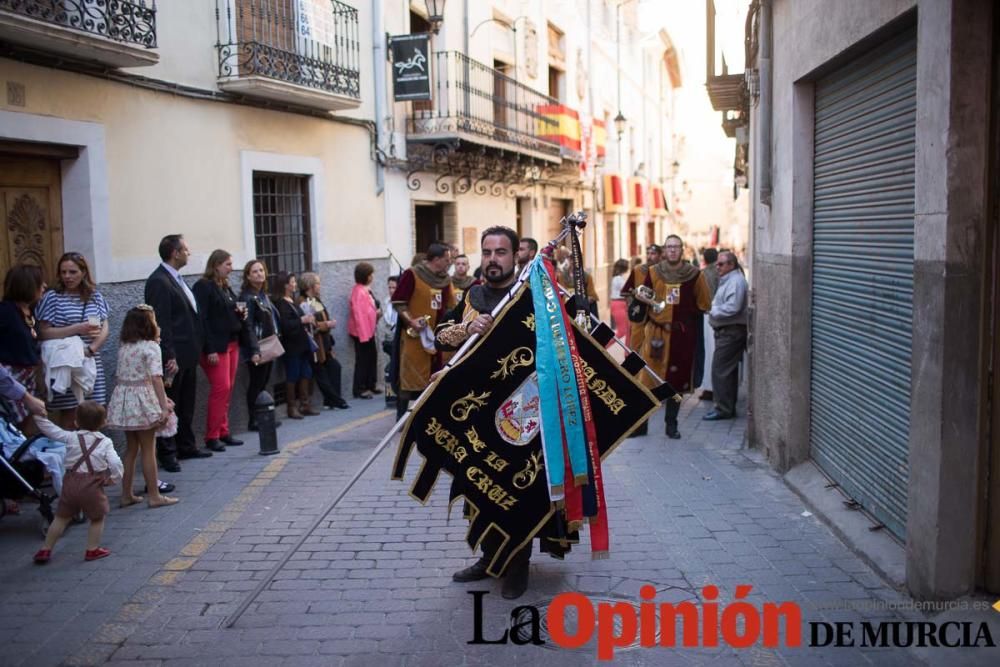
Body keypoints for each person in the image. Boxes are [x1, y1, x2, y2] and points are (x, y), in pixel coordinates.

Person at [433, 226, 535, 600]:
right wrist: (466, 328)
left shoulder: (530, 298)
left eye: (501, 252)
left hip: (520, 411)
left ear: (515, 256)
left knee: (516, 488)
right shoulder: (471, 297)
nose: (493, 259)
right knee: (478, 485)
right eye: (487, 252)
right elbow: (440, 334)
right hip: (475, 410)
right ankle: (490, 558)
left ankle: (518, 564)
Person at [145, 235, 209, 471]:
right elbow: (161, 321)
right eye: (185, 249)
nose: (188, 253)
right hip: (174, 355)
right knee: (170, 404)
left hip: (188, 353)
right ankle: (168, 453)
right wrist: (168, 353)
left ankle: (186, 445)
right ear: (174, 252)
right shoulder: (159, 282)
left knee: (186, 403)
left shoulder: (177, 279)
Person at [106, 305, 180, 509]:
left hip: (125, 398)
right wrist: (163, 404)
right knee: (149, 449)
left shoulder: (125, 346)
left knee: (131, 449)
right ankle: (154, 495)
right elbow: (156, 378)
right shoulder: (150, 347)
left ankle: (126, 494)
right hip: (143, 399)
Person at [638, 235, 712, 439]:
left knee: (676, 383)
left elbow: (704, 303)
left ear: (682, 250)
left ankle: (671, 424)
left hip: (681, 336)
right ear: (664, 250)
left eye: (676, 247)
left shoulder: (694, 275)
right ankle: (641, 425)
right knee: (648, 380)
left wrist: (686, 315)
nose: (672, 250)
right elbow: (643, 299)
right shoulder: (653, 273)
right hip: (656, 334)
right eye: (669, 247)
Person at [32, 401, 123, 564]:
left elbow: (51, 431)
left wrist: (39, 417)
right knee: (97, 518)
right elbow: (115, 463)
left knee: (61, 517)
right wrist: (114, 478)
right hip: (93, 484)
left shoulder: (70, 436)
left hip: (71, 481)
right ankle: (92, 549)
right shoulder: (105, 442)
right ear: (103, 423)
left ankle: (45, 549)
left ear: (76, 422)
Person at [35, 253, 110, 429]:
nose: (67, 276)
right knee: (70, 415)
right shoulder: (52, 297)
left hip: (90, 361)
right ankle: (72, 455)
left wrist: (92, 349)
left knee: (95, 413)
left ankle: (91, 455)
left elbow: (105, 326)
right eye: (63, 272)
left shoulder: (95, 296)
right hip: (66, 364)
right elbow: (43, 332)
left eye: (72, 272)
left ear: (83, 272)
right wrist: (78, 328)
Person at [390, 243, 456, 419]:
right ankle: (401, 417)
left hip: (436, 337)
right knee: (409, 377)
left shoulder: (445, 280)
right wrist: (411, 321)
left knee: (434, 376)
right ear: (436, 260)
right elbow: (398, 301)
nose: (449, 263)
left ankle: (427, 416)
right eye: (446, 259)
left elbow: (451, 305)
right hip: (414, 337)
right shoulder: (412, 275)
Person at [192, 250, 244, 452]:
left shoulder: (225, 286)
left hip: (231, 343)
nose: (231, 268)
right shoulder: (204, 287)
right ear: (216, 265)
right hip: (216, 347)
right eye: (228, 264)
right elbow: (202, 319)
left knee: (227, 389)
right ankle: (211, 435)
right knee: (220, 389)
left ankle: (223, 431)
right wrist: (209, 348)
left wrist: (239, 314)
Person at [705, 251, 749, 421]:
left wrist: (713, 311)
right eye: (717, 264)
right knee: (726, 371)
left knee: (720, 370)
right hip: (726, 332)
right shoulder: (729, 280)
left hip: (731, 332)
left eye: (721, 264)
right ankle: (726, 407)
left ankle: (723, 408)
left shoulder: (736, 282)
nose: (717, 267)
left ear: (731, 265)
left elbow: (733, 307)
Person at [0, 265, 45, 430]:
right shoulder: (5, 312)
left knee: (24, 429)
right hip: (8, 380)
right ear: (27, 285)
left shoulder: (30, 311)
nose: (44, 286)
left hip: (28, 379)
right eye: (40, 282)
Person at [239, 259, 282, 431]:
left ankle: (263, 417)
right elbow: (246, 326)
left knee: (263, 382)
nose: (259, 274)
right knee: (256, 384)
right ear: (248, 276)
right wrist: (254, 350)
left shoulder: (263, 295)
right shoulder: (246, 297)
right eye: (255, 271)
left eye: (261, 270)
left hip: (269, 344)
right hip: (257, 347)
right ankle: (254, 420)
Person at [299, 272, 349, 410]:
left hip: (325, 343)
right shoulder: (303, 302)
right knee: (321, 374)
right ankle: (337, 401)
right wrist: (327, 324)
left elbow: (323, 316)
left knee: (335, 367)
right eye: (317, 283)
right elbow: (312, 324)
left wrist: (328, 323)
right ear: (310, 285)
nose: (319, 286)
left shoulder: (316, 300)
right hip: (315, 344)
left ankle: (331, 400)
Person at [271, 272, 315, 419]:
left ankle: (305, 404)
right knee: (293, 375)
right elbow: (285, 325)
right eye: (292, 282)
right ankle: (292, 407)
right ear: (285, 285)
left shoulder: (293, 300)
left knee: (306, 372)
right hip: (291, 346)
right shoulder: (281, 303)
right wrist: (302, 320)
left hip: (301, 344)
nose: (295, 284)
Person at [622, 244, 662, 360]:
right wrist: (632, 305)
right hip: (638, 316)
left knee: (654, 349)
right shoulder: (638, 270)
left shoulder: (664, 273)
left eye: (653, 254)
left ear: (659, 256)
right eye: (648, 253)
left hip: (657, 317)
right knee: (635, 348)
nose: (650, 256)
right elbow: (626, 291)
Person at [348, 263, 380, 400]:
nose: (372, 277)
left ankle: (370, 384)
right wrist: (364, 335)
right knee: (362, 360)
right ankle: (360, 389)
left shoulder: (363, 289)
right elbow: (359, 315)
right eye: (371, 274)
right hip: (362, 332)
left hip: (368, 330)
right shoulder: (359, 292)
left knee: (371, 357)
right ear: (366, 276)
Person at [697, 248, 720, 401]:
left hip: (707, 315)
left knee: (709, 353)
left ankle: (710, 389)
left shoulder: (704, 274)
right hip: (718, 314)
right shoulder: (720, 272)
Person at [382, 275, 399, 407]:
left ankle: (394, 394)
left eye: (394, 287)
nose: (392, 290)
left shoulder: (402, 302)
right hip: (389, 339)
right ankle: (391, 396)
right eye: (390, 287)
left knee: (393, 366)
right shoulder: (387, 301)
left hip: (398, 339)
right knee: (390, 367)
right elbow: (388, 321)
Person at [609, 259, 630, 342]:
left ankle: (628, 352)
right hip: (618, 304)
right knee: (622, 331)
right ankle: (604, 346)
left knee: (628, 329)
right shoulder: (618, 279)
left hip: (622, 304)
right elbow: (626, 290)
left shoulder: (619, 278)